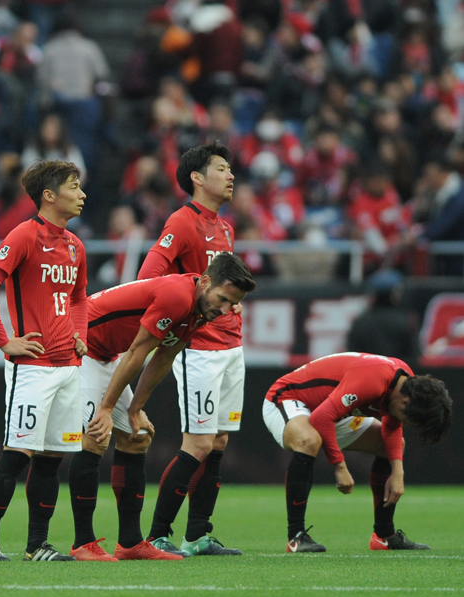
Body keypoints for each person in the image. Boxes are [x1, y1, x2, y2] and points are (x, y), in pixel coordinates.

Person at [69, 252, 256, 561]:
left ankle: (130, 543)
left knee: (136, 436)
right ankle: (82, 543)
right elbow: (137, 353)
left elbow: (163, 358)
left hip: (106, 354)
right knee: (95, 435)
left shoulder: (198, 308)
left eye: (230, 304)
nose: (224, 310)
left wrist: (134, 409)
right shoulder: (176, 297)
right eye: (222, 299)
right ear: (205, 281)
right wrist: (106, 408)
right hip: (82, 346)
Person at [0, 159, 88, 562]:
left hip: (67, 367)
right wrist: (6, 342)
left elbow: (78, 298)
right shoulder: (24, 234)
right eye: (74, 186)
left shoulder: (75, 245)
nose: (82, 194)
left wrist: (80, 336)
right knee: (17, 455)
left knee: (52, 460)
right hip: (33, 370)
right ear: (49, 196)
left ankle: (37, 545)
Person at [137, 141, 244, 556]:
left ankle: (198, 534)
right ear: (197, 178)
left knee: (217, 442)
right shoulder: (182, 222)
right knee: (196, 444)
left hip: (232, 345)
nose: (230, 175)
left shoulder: (225, 227)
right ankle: (157, 534)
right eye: (221, 168)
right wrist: (180, 315)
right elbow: (149, 278)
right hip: (199, 348)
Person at [262, 352, 452, 552]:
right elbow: (321, 418)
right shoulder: (374, 380)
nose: (407, 424)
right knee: (309, 440)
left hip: (330, 410)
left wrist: (398, 473)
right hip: (288, 398)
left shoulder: (405, 385)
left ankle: (384, 536)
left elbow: (392, 427)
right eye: (411, 419)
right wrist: (339, 466)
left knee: (389, 446)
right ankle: (296, 536)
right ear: (405, 403)